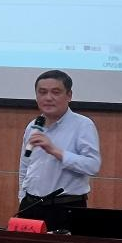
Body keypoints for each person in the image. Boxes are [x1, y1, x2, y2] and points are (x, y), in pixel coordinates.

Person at [18, 69, 101, 217]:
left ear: (69, 95)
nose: (48, 98)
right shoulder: (33, 126)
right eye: (42, 92)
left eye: (55, 92)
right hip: (30, 205)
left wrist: (55, 151)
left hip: (66, 207)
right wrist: (22, 197)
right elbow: (25, 165)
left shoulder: (82, 125)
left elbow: (92, 166)